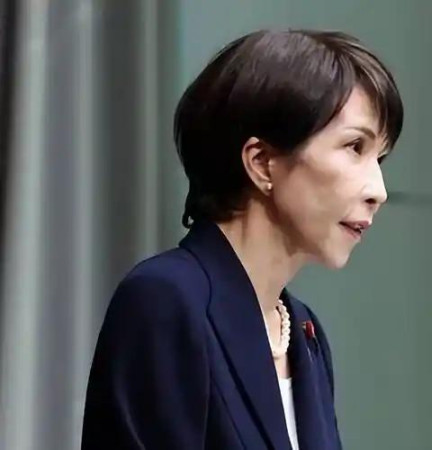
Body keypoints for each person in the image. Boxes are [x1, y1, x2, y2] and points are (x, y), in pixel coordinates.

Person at [80, 29, 404, 450]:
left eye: (379, 158)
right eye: (354, 146)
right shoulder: (166, 300)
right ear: (262, 162)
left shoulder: (304, 333)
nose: (378, 190)